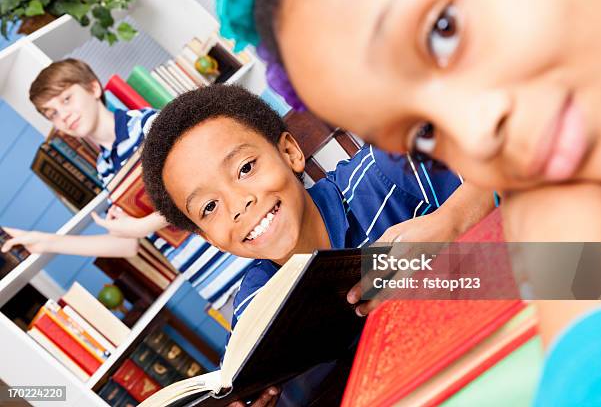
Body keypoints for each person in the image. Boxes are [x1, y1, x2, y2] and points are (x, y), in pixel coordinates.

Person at [218, 0, 601, 405]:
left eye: (444, 30)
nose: (477, 137)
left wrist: (458, 220)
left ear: (291, 154)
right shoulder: (555, 202)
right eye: (422, 135)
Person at [140, 84, 493, 406]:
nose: (238, 205)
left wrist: (454, 222)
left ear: (290, 152)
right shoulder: (255, 307)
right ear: (207, 238)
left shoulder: (390, 171)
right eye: (209, 207)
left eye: (246, 168)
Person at [1, 58, 169, 257]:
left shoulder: (149, 124)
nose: (62, 115)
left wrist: (143, 226)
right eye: (52, 113)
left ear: (94, 88)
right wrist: (44, 242)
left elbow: (202, 187)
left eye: (66, 99)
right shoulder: (104, 167)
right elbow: (126, 245)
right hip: (200, 279)